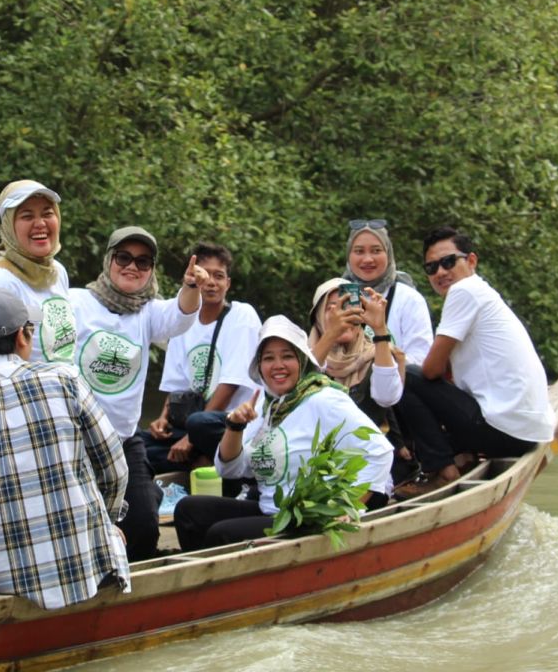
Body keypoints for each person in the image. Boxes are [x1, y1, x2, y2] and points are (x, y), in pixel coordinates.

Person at [0, 289, 130, 610]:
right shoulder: (64, 380)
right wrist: (106, 521)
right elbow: (114, 468)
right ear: (23, 337)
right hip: (80, 574)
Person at [173, 316, 395, 551]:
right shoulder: (264, 405)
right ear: (260, 366)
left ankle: (220, 583)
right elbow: (230, 470)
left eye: (287, 356)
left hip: (305, 518)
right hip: (270, 509)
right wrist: (234, 427)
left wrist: (345, 508)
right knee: (190, 510)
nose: (278, 365)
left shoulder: (325, 399)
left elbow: (379, 451)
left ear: (301, 361)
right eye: (269, 358)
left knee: (222, 534)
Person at [70, 226, 207, 560]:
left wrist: (191, 286)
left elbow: (180, 317)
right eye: (124, 257)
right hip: (74, 438)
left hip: (123, 439)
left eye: (143, 262)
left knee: (143, 528)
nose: (132, 266)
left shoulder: (147, 311)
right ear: (109, 260)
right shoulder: (76, 301)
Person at [394, 227, 554, 497]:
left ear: (471, 261)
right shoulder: (482, 292)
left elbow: (431, 370)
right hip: (527, 430)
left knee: (405, 376)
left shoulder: (465, 291)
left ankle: (441, 470)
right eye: (431, 267)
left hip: (505, 431)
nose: (440, 273)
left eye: (448, 262)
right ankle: (457, 458)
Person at [141, 242, 261, 474]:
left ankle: (203, 457)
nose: (212, 283)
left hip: (228, 423)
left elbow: (231, 384)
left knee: (198, 425)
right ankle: (201, 461)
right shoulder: (183, 320)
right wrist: (163, 418)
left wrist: (191, 437)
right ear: (194, 278)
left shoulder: (241, 316)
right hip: (193, 424)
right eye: (206, 275)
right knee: (139, 443)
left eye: (220, 276)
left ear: (228, 283)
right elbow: (177, 388)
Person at [0, 180, 77, 376]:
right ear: (9, 225)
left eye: (47, 213)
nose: (40, 224)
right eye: (27, 216)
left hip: (62, 400)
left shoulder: (57, 272)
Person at [309, 277, 415, 481]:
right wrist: (330, 335)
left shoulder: (377, 353)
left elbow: (387, 398)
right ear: (318, 316)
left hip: (366, 466)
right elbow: (300, 389)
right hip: (313, 466)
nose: (344, 315)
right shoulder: (302, 356)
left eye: (350, 306)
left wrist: (380, 330)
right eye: (334, 308)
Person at [342, 219, 434, 365]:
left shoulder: (408, 299)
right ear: (349, 255)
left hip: (399, 384)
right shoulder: (339, 295)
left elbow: (420, 359)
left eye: (376, 250)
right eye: (359, 251)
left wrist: (377, 364)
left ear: (388, 253)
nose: (367, 259)